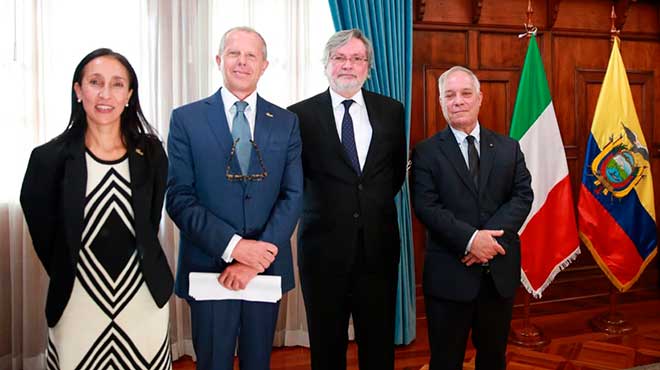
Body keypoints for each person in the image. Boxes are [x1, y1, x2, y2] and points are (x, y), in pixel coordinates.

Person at [20, 48, 173, 370]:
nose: (106, 94)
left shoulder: (152, 153)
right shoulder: (47, 160)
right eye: (95, 82)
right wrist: (76, 271)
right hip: (77, 300)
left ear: (130, 94)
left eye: (117, 84)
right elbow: (47, 240)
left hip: (143, 297)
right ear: (78, 90)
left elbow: (149, 224)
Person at [166, 26, 302, 370]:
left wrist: (255, 258)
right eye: (234, 54)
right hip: (209, 265)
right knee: (213, 363)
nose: (242, 62)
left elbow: (293, 194)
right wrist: (234, 248)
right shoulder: (186, 119)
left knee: (259, 362)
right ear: (219, 60)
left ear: (264, 65)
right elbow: (179, 197)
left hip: (265, 268)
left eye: (251, 55)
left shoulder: (286, 122)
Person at [287, 29, 406, 370]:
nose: (348, 66)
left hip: (379, 249)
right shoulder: (298, 116)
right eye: (339, 58)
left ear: (369, 66)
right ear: (326, 64)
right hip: (322, 251)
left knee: (379, 343)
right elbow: (293, 181)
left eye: (357, 58)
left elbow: (394, 175)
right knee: (326, 345)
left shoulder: (392, 111)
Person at [411, 66, 533, 370]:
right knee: (445, 360)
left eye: (466, 93)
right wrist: (470, 241)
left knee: (493, 358)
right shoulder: (425, 152)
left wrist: (486, 241)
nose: (458, 101)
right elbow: (427, 206)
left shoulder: (508, 147)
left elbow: (522, 196)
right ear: (440, 102)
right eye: (449, 95)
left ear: (480, 98)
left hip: (498, 274)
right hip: (449, 275)